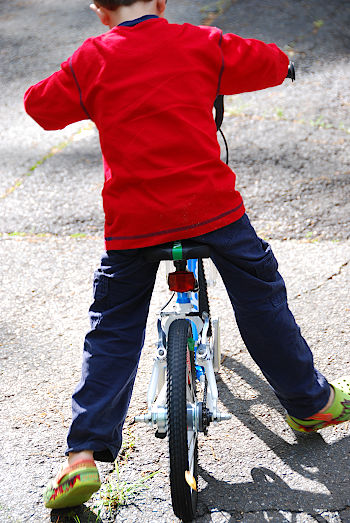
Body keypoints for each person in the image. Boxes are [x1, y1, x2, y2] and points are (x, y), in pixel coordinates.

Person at [24, 0, 350, 511]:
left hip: (132, 226)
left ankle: (81, 456)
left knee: (112, 324)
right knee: (260, 291)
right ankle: (310, 403)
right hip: (212, 212)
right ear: (159, 3)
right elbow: (265, 61)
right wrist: (284, 63)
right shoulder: (202, 43)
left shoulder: (91, 60)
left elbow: (39, 106)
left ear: (99, 11)